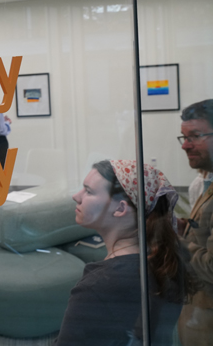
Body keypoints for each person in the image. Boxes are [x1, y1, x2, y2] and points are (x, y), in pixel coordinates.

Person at [56, 160, 197, 345]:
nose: (77, 196)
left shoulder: (99, 285)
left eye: (88, 191)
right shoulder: (164, 261)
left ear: (121, 208)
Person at [178, 99, 213, 345]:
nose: (185, 146)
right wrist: (188, 230)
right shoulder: (203, 182)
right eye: (184, 137)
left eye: (195, 136)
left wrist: (177, 241)